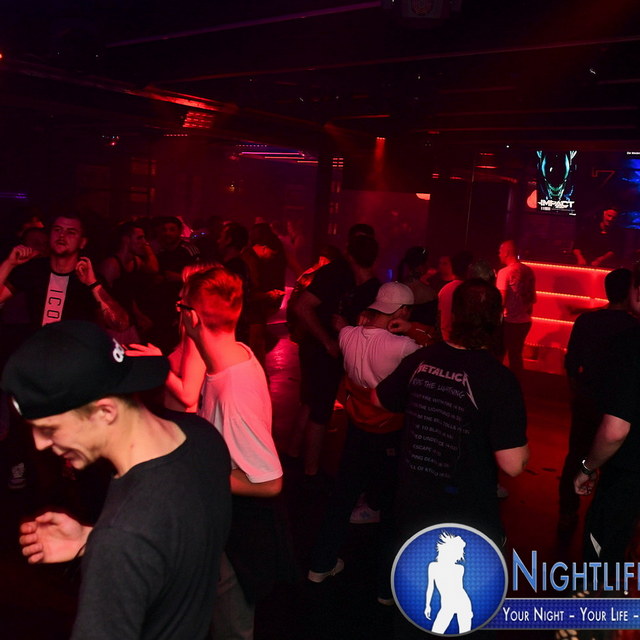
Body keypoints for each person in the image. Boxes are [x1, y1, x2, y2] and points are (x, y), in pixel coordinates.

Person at [1, 320, 232, 639]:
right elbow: (180, 541)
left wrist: (111, 548)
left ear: (106, 412)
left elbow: (138, 532)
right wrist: (93, 541)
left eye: (49, 429)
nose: (40, 444)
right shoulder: (204, 438)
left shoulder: (123, 536)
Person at [375, 279, 529, 547]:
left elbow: (378, 399)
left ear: (454, 315)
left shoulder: (421, 359)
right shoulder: (499, 379)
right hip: (465, 508)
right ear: (498, 319)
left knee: (410, 564)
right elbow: (513, 464)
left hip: (414, 498)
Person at [180, 266, 290, 640]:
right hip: (224, 521)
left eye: (181, 306)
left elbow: (270, 482)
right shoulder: (235, 353)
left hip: (238, 532)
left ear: (192, 317)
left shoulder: (234, 393)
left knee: (231, 627)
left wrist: (201, 474)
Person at [307, 282, 421, 604]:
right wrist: (414, 328)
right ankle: (386, 590)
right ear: (402, 311)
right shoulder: (404, 346)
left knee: (343, 496)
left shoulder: (348, 336)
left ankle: (320, 565)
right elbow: (435, 348)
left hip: (357, 427)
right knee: (391, 508)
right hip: (388, 431)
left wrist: (353, 322)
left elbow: (342, 327)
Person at [292, 229, 380, 478]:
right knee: (320, 408)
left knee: (313, 402)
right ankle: (310, 471)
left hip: (329, 349)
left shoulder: (367, 284)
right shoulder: (335, 273)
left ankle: (293, 453)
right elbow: (302, 307)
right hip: (321, 350)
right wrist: (328, 342)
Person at [558, 268, 638, 540]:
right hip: (620, 407)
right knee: (616, 468)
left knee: (576, 456)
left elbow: (571, 363)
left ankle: (567, 514)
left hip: (588, 401)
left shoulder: (587, 321)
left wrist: (576, 393)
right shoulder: (632, 329)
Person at [574, 262, 640, 572]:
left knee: (602, 565)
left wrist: (588, 467)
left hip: (628, 477)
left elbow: (615, 430)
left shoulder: (630, 343)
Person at [0, 213, 129, 333]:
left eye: (71, 232)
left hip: (74, 349)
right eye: (57, 230)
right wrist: (9, 264)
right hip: (38, 348)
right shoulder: (34, 269)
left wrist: (93, 284)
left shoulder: (89, 278)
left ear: (82, 242)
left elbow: (120, 325)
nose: (62, 235)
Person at [496, 239, 537, 380]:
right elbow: (531, 298)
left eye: (500, 251)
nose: (499, 254)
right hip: (524, 321)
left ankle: (496, 384)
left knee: (498, 354)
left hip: (509, 321)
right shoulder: (528, 271)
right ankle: (516, 383)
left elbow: (501, 300)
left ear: (507, 252)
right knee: (516, 356)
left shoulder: (504, 272)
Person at [437, 250, 473, 342]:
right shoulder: (470, 290)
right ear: (469, 268)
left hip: (446, 340)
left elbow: (440, 318)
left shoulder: (445, 290)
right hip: (463, 341)